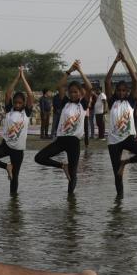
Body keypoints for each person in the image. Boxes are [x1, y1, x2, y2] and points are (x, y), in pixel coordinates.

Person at [35, 60, 92, 196]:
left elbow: (89, 88)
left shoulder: (83, 104)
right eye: (71, 92)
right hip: (61, 140)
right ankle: (62, 166)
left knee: (73, 176)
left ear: (80, 93)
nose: (73, 94)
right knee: (39, 157)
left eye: (75, 92)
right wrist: (69, 71)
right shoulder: (65, 102)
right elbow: (60, 85)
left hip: (74, 142)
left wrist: (80, 71)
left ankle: (70, 203)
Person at [104, 50, 137, 199]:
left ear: (128, 92)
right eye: (119, 90)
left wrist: (125, 62)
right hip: (113, 141)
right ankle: (119, 200)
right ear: (116, 92)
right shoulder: (112, 102)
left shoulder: (131, 102)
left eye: (124, 90)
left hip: (128, 138)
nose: (122, 92)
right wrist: (115, 62)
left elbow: (135, 80)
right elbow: (107, 81)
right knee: (117, 175)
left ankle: (125, 162)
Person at [0, 67, 33, 196]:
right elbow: (8, 94)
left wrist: (23, 78)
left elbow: (31, 95)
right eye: (15, 102)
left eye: (20, 103)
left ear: (23, 104)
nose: (17, 104)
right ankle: (6, 167)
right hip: (5, 146)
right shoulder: (9, 110)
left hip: (18, 150)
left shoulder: (26, 113)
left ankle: (13, 204)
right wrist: (17, 77)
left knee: (14, 178)